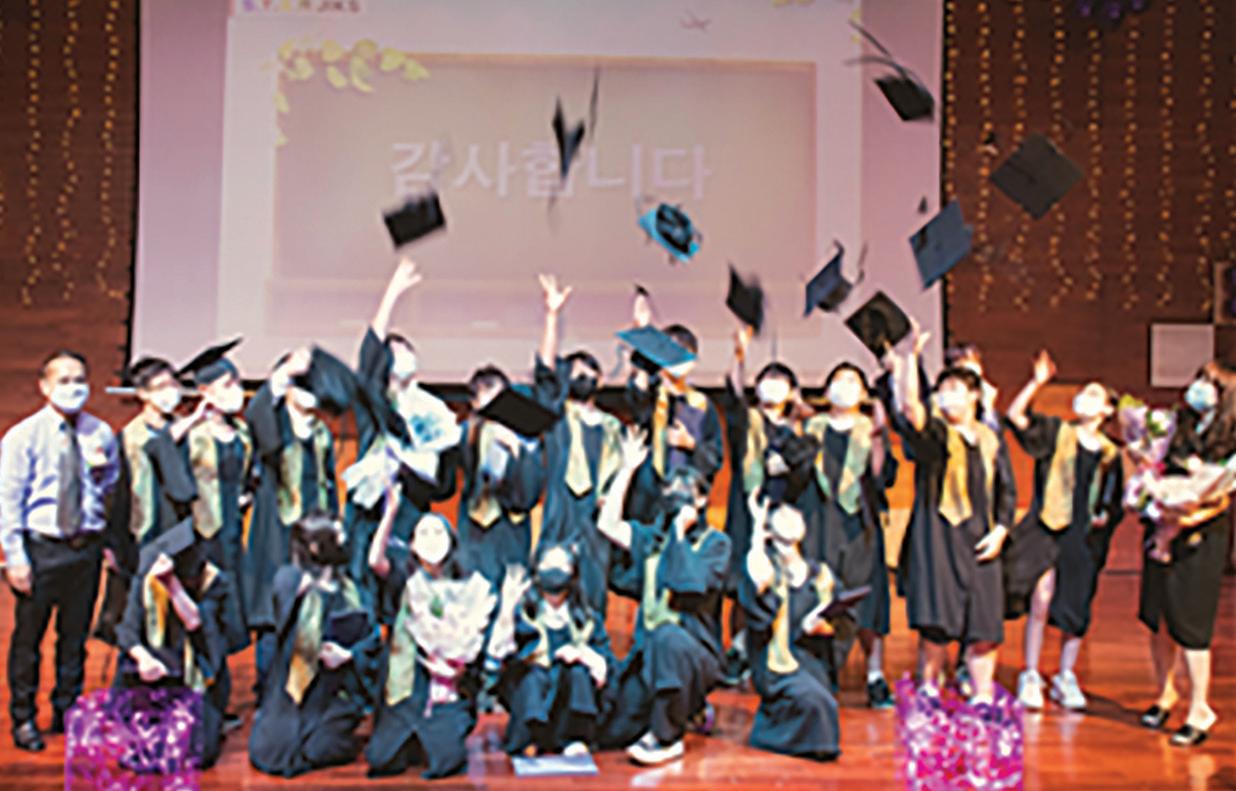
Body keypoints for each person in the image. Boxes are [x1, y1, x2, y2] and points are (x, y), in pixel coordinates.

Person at [0, 350, 119, 751]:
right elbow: (8, 501)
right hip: (42, 549)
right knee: (28, 641)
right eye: (64, 380)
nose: (73, 387)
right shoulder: (23, 436)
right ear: (44, 386)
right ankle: (23, 717)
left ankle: (67, 712)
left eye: (80, 379)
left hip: (84, 550)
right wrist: (14, 557)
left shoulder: (100, 433)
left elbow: (109, 486)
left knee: (74, 640)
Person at [887, 343, 1016, 705]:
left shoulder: (990, 438)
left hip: (981, 540)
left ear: (975, 396)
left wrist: (1001, 530)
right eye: (942, 390)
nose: (947, 396)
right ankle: (929, 688)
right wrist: (910, 360)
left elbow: (1007, 489)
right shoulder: (936, 433)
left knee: (984, 624)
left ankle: (983, 694)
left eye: (955, 389)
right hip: (937, 540)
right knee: (936, 623)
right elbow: (912, 410)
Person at [597, 427, 731, 766]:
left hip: (692, 654)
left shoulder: (715, 544)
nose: (677, 496)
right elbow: (608, 525)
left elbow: (688, 583)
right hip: (650, 656)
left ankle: (668, 738)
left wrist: (679, 533)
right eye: (670, 489)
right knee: (612, 732)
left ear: (701, 501)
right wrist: (627, 469)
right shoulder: (650, 539)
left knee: (668, 637)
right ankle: (686, 710)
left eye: (687, 491)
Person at [1002, 351, 1124, 711]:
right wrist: (1036, 382)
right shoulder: (1057, 433)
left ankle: (1065, 676)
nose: (1085, 399)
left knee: (1076, 607)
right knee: (1040, 599)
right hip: (1049, 528)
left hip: (1083, 538)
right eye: (1083, 393)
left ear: (1108, 410)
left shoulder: (1111, 454)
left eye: (1094, 395)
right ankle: (1030, 673)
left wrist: (1105, 517)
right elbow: (1015, 417)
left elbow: (1115, 500)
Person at [346, 258, 460, 621]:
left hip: (411, 512)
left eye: (406, 352)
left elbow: (443, 479)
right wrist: (393, 292)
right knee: (363, 599)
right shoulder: (374, 404)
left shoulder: (430, 409)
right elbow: (368, 358)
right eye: (394, 354)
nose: (402, 359)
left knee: (408, 605)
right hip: (370, 514)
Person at [1137, 362, 1236, 746]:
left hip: (1201, 536)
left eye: (1210, 383)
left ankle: (1200, 708)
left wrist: (1186, 516)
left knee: (1192, 625)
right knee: (1159, 617)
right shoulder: (1177, 424)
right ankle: (1165, 693)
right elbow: (1158, 465)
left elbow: (1221, 497)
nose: (1199, 388)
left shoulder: (1230, 436)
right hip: (1162, 528)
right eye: (1199, 380)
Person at [365, 497, 497, 779]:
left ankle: (437, 732)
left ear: (451, 541)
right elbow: (375, 561)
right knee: (380, 758)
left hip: (447, 684)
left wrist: (458, 668)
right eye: (423, 533)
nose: (431, 539)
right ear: (412, 545)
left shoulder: (468, 583)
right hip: (409, 680)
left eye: (438, 532)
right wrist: (390, 513)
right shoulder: (405, 576)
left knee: (447, 759)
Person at [248, 510, 381, 776]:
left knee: (323, 747)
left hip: (334, 693)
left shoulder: (351, 590)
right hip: (293, 694)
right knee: (269, 751)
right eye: (337, 534)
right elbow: (281, 614)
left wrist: (348, 656)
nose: (344, 538)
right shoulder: (290, 579)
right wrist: (305, 589)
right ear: (315, 547)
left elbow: (372, 640)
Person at [719, 324, 817, 687]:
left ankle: (774, 649)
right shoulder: (748, 422)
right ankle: (738, 650)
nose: (772, 386)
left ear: (792, 391)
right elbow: (733, 396)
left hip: (782, 517)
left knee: (779, 583)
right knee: (741, 583)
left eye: (780, 381)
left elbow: (804, 476)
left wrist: (795, 439)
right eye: (766, 380)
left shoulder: (798, 432)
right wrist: (740, 355)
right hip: (747, 511)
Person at [801, 362, 898, 707]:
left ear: (863, 393)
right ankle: (823, 670)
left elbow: (883, 477)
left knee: (867, 600)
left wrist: (878, 439)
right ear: (827, 390)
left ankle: (875, 675)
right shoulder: (812, 427)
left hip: (859, 525)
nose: (845, 386)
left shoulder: (869, 429)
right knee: (821, 596)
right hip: (818, 522)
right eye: (838, 380)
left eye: (853, 381)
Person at [115, 520, 247, 769]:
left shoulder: (215, 583)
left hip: (195, 675)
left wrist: (173, 587)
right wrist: (144, 658)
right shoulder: (147, 576)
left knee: (198, 753)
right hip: (152, 674)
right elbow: (127, 630)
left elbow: (201, 631)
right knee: (139, 744)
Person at [243, 348, 339, 687]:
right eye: (303, 384)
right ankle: (268, 689)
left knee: (313, 609)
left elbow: (329, 481)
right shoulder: (274, 422)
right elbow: (256, 413)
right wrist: (284, 373)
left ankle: (305, 690)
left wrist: (334, 526)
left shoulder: (321, 431)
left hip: (315, 533)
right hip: (277, 531)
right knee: (273, 614)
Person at [531, 274, 624, 616]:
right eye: (575, 371)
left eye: (589, 371)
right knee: (550, 598)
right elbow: (545, 375)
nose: (582, 375)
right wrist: (552, 315)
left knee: (593, 602)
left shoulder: (613, 429)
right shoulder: (556, 418)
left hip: (595, 523)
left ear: (601, 380)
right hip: (560, 514)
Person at [94, 357, 197, 645]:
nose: (171, 392)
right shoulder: (128, 440)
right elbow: (115, 496)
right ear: (142, 394)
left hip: (181, 537)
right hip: (142, 538)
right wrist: (111, 544)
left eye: (173, 384)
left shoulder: (189, 434)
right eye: (161, 386)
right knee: (137, 623)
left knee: (180, 624)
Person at [739, 495, 841, 761]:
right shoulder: (768, 569)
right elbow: (757, 577)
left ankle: (798, 734)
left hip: (811, 660)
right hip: (776, 665)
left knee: (821, 700)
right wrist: (757, 532)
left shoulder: (819, 573)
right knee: (816, 702)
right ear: (771, 532)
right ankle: (770, 735)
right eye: (780, 515)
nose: (788, 515)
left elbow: (841, 619)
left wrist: (821, 626)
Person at [490, 542, 614, 758]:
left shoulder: (587, 618)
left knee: (577, 673)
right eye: (548, 564)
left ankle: (575, 738)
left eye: (562, 565)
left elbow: (605, 665)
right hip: (534, 694)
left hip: (568, 699)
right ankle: (530, 737)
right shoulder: (524, 612)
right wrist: (506, 611)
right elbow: (496, 657)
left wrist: (583, 655)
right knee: (533, 678)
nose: (555, 572)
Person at [621, 290, 724, 524]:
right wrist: (643, 332)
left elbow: (715, 457)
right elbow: (638, 396)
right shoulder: (651, 393)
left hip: (686, 499)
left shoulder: (701, 404)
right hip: (647, 499)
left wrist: (690, 444)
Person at [455, 365, 545, 587]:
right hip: (475, 531)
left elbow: (529, 496)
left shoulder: (525, 435)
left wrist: (517, 450)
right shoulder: (466, 433)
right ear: (475, 403)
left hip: (510, 531)